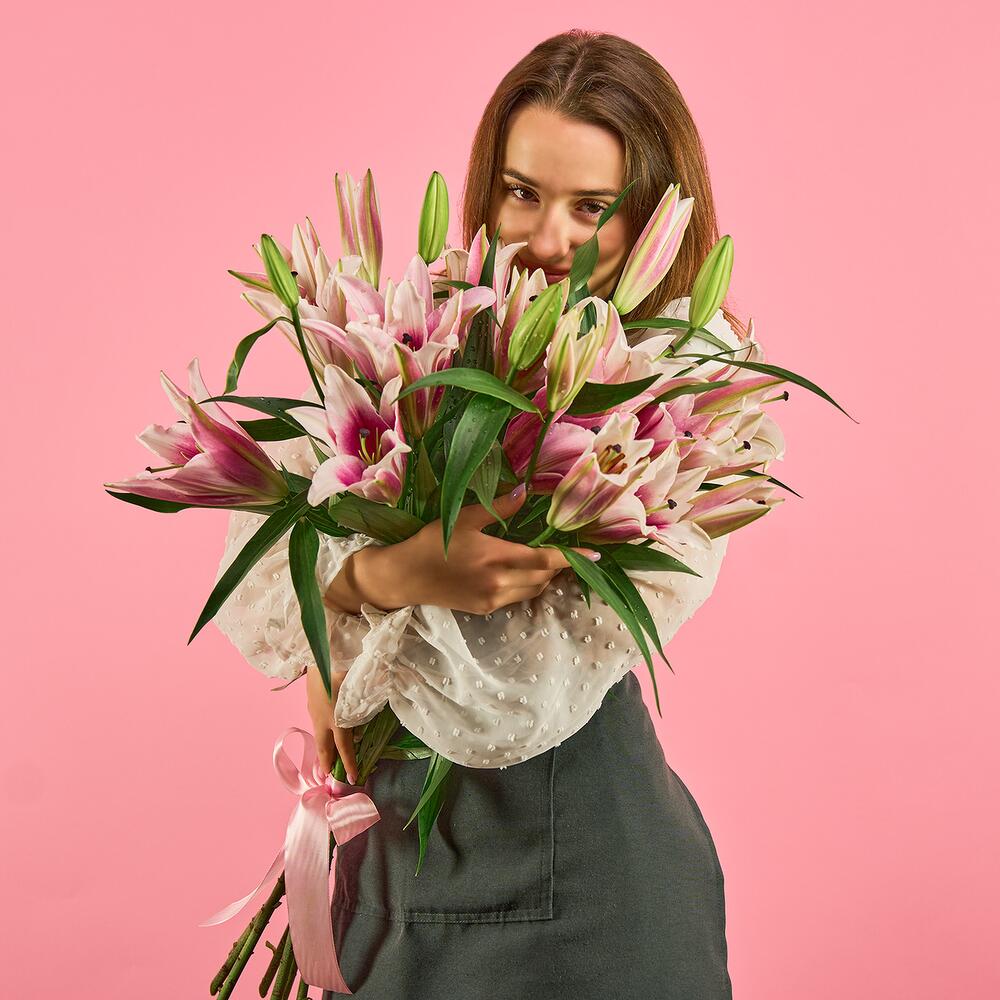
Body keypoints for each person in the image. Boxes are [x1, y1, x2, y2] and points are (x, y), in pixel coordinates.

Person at [214, 29, 752, 999]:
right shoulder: (433, 328)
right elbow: (271, 542)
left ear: (650, 221)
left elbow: (509, 696)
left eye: (591, 207)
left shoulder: (687, 404)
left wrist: (355, 614)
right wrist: (375, 577)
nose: (547, 239)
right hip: (393, 882)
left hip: (593, 903)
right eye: (521, 192)